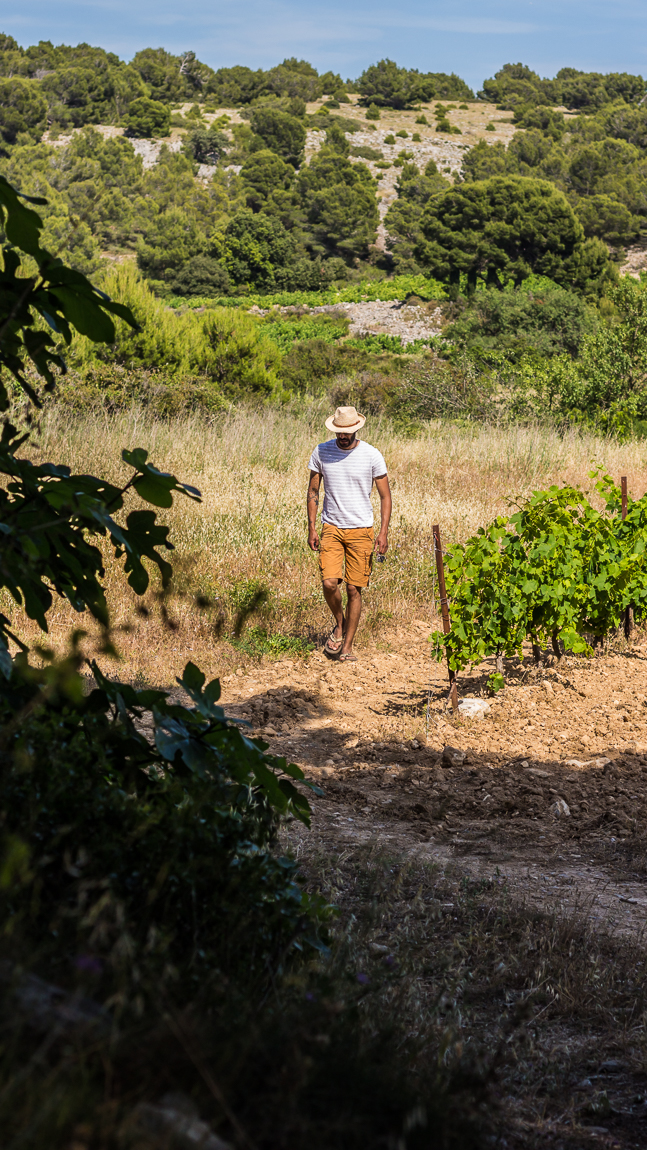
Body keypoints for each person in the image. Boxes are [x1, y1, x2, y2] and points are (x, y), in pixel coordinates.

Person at [307, 405, 392, 662]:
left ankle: (347, 646)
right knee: (329, 583)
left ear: (356, 429)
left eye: (347, 432)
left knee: (354, 589)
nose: (342, 436)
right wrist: (312, 526)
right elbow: (313, 492)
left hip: (361, 529)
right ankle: (339, 623)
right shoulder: (321, 451)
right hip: (331, 527)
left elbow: (385, 496)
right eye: (339, 431)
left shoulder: (372, 455)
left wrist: (383, 532)